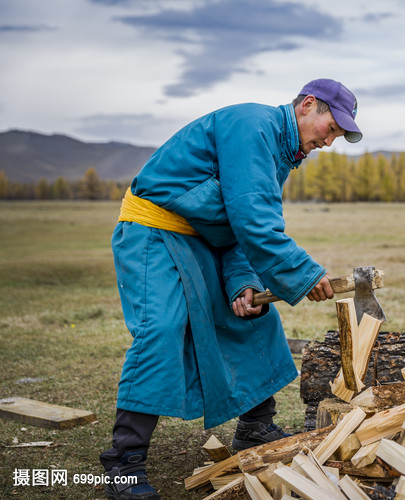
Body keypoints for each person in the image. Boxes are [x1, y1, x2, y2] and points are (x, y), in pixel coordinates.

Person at [100, 78, 362, 500]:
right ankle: (123, 462)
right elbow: (253, 219)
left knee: (252, 318)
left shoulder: (280, 151)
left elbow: (237, 229)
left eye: (336, 136)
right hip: (153, 231)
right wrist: (303, 273)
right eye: (330, 129)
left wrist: (243, 282)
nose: (329, 142)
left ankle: (256, 426)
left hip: (204, 240)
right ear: (308, 105)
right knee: (163, 329)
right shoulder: (253, 126)